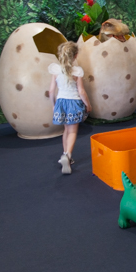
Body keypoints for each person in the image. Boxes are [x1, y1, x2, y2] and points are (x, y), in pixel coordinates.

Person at [48, 42, 92, 175]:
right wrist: (88, 105)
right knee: (73, 131)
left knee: (66, 130)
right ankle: (67, 155)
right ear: (75, 56)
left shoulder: (56, 70)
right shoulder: (77, 71)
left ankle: (65, 154)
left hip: (61, 102)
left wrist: (53, 106)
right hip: (73, 103)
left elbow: (51, 91)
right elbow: (81, 92)